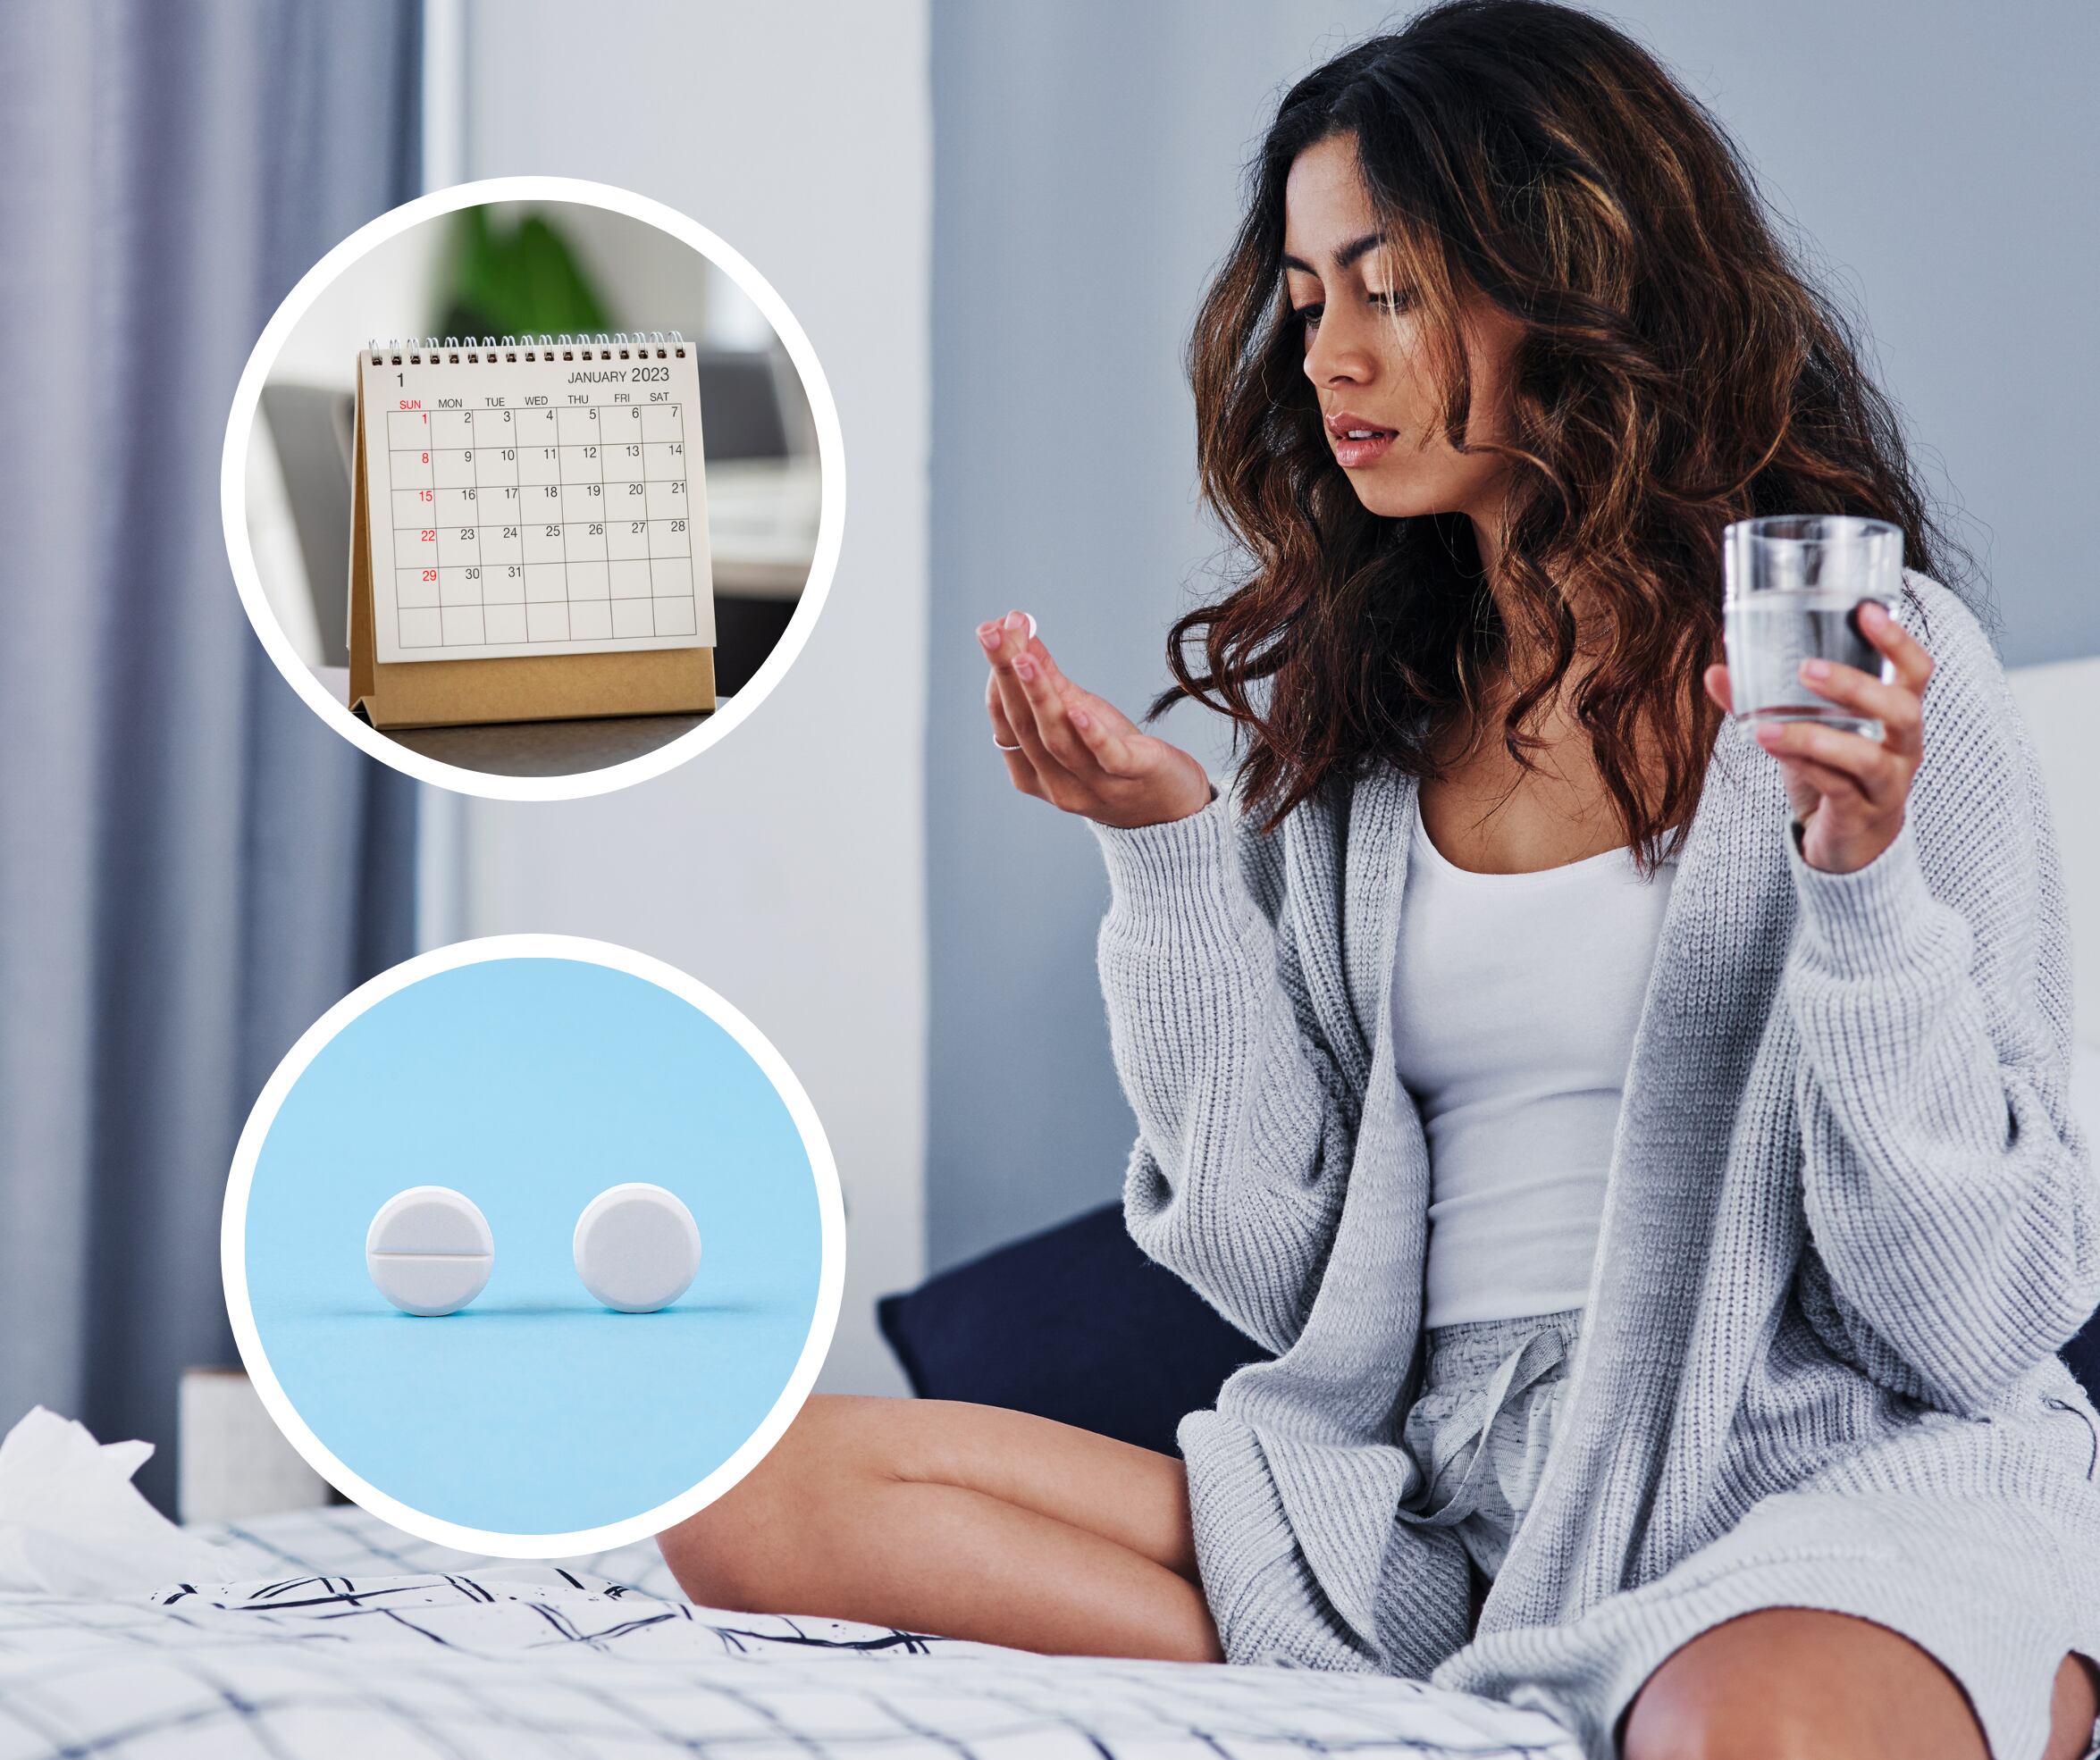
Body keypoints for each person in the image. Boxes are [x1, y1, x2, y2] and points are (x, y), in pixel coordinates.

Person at [660, 4, 2100, 1754]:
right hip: (1440, 1502)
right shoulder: (1374, 733)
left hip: (1816, 1479)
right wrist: (1165, 851)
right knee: (741, 1488)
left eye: (1388, 286)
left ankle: (1638, 1665)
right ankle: (1477, 1663)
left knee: (1751, 1730)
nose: (1327, 352)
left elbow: (1975, 1312)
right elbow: (1283, 1265)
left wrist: (1862, 895)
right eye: (1304, 290)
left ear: (1568, 274)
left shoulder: (1866, 677)